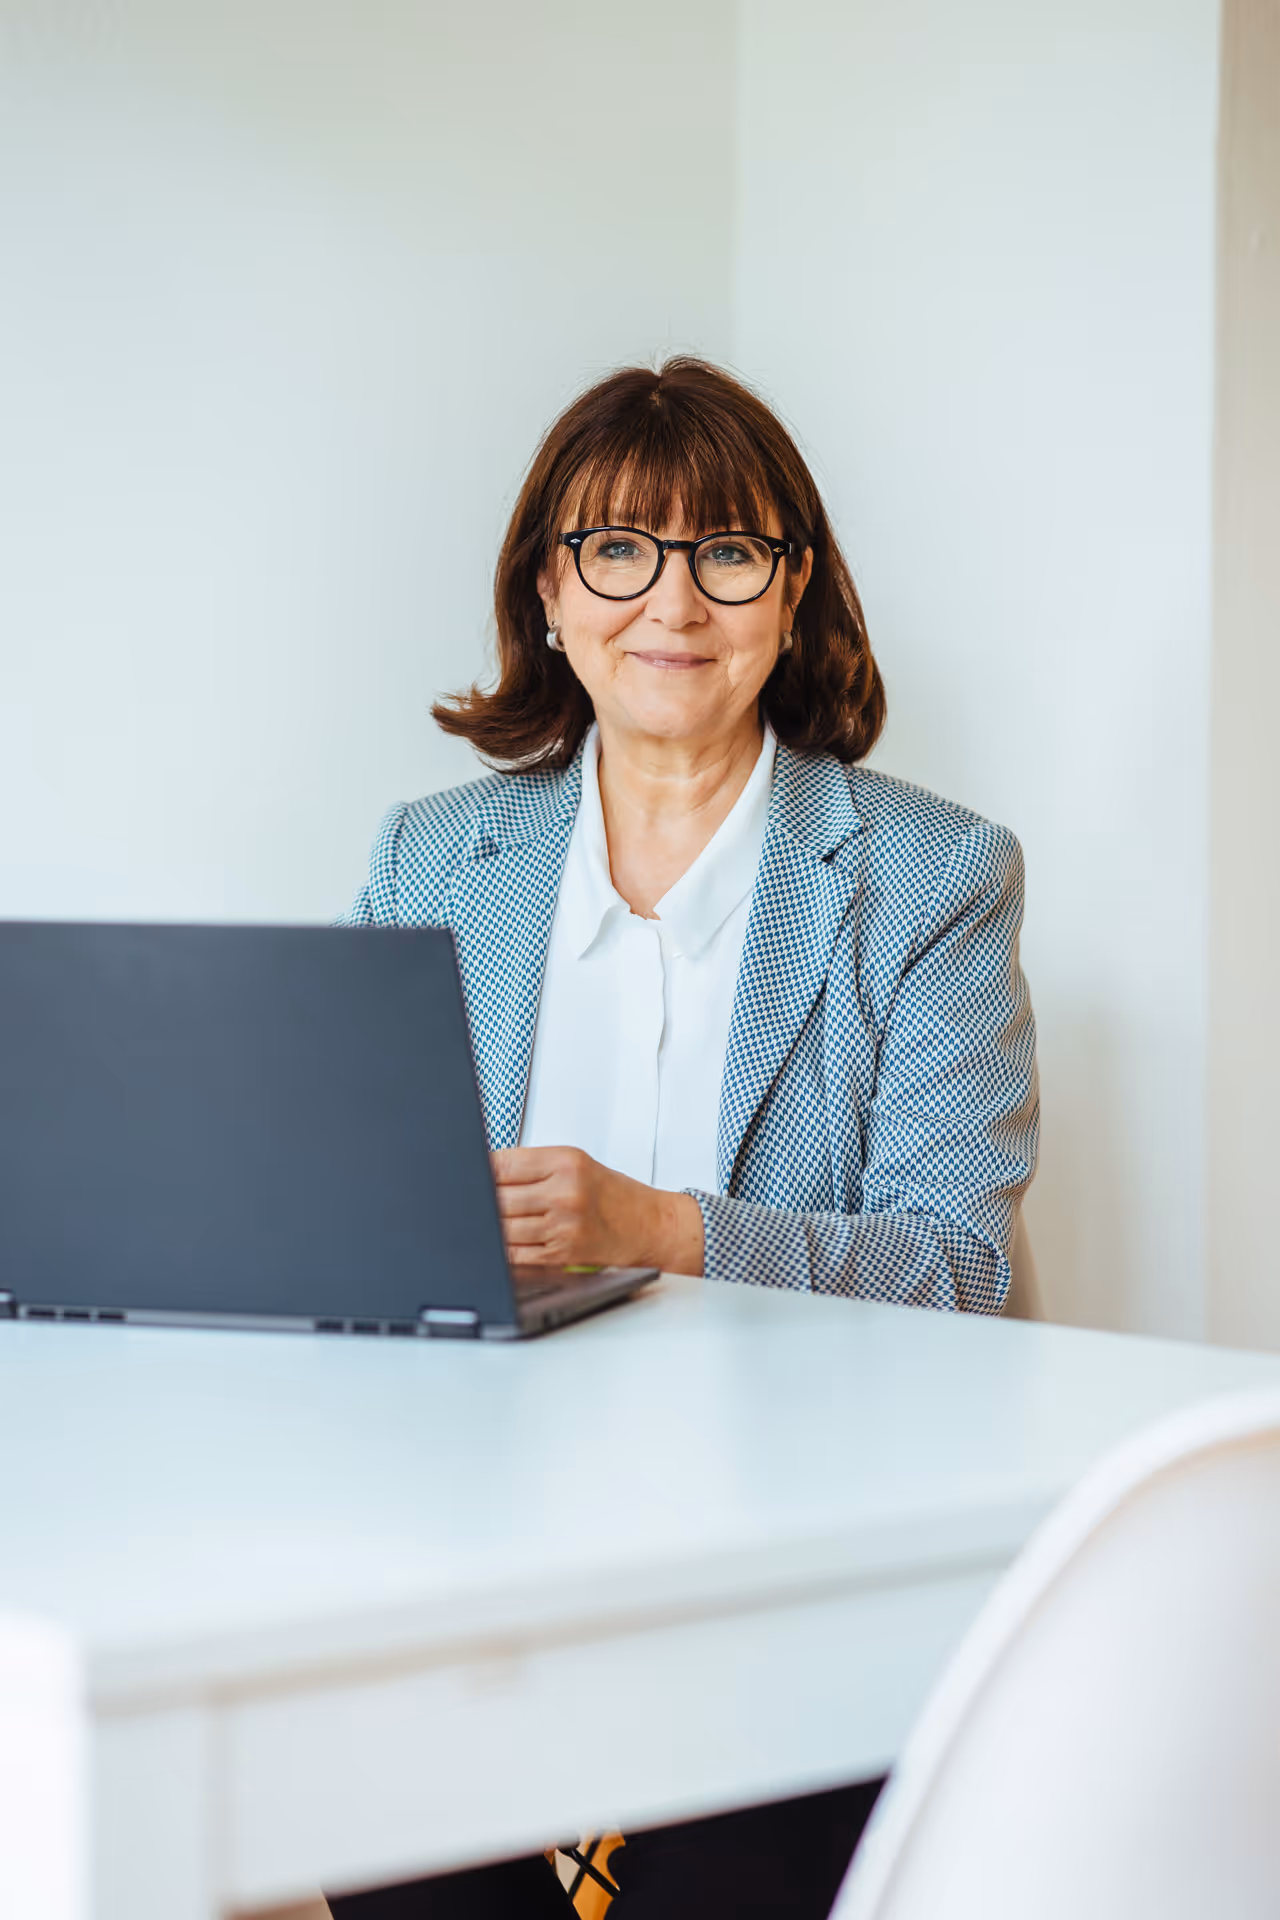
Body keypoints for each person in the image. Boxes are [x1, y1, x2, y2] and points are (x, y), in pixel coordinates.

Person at [330, 358, 1038, 1918]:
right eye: (618, 550)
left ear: (794, 594)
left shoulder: (931, 880)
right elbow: (347, 1222)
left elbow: (966, 1269)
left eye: (727, 551)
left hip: (795, 1572)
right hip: (466, 1565)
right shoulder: (433, 858)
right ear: (551, 589)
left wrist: (661, 1228)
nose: (673, 601)